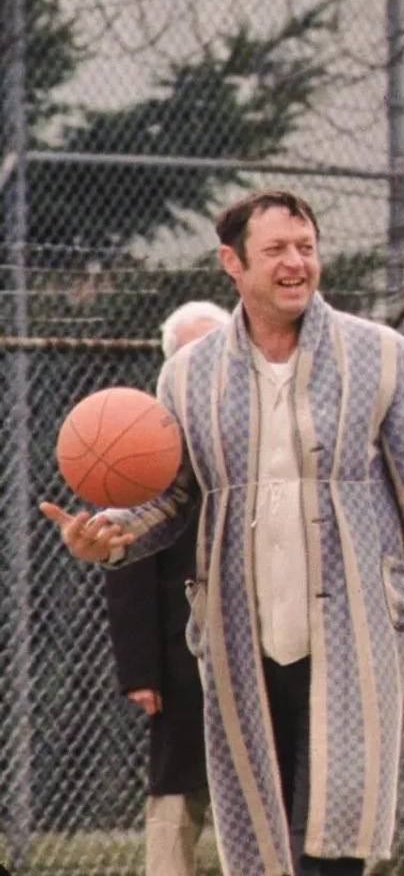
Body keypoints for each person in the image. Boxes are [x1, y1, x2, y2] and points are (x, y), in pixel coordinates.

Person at [41, 189, 404, 876]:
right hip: (238, 634)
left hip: (355, 628)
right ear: (234, 263)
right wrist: (111, 536)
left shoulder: (382, 356)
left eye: (306, 248)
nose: (296, 264)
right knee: (258, 839)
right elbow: (171, 500)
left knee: (337, 835)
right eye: (276, 251)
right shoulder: (186, 376)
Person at [103, 300, 226, 876]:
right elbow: (127, 567)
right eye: (191, 356)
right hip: (181, 658)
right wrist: (140, 670)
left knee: (263, 784)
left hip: (261, 645)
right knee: (178, 787)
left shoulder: (255, 438)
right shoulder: (143, 449)